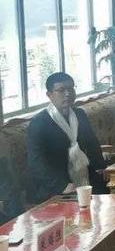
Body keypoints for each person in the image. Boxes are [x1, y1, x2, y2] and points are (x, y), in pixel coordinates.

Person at [27, 72, 108, 204]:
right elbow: (36, 162)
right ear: (49, 95)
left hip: (83, 172)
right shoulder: (39, 122)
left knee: (106, 192)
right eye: (61, 90)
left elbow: (92, 142)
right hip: (55, 183)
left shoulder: (79, 114)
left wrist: (100, 166)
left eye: (71, 88)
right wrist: (62, 185)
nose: (68, 93)